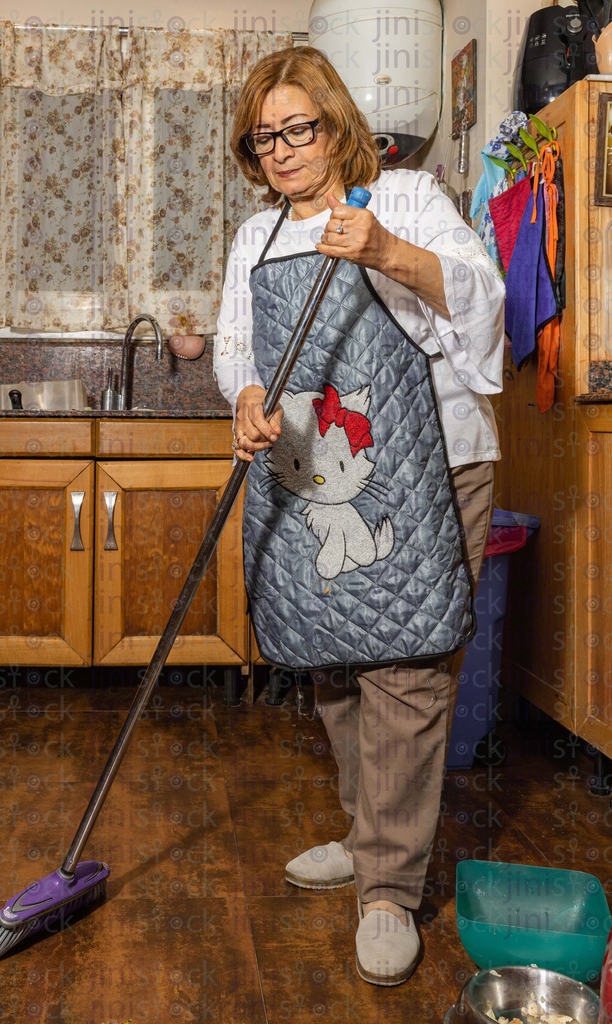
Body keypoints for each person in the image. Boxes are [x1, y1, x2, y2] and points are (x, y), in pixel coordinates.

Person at [213, 46, 505, 987]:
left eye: (300, 128)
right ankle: (365, 830)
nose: (285, 151)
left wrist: (381, 248)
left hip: (433, 463)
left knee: (408, 663)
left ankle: (388, 883)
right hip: (318, 473)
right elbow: (234, 347)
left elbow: (477, 299)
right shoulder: (253, 239)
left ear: (335, 126)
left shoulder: (409, 199)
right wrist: (249, 395)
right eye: (266, 138)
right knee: (331, 654)